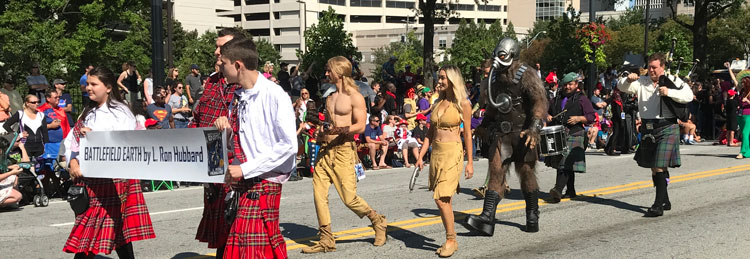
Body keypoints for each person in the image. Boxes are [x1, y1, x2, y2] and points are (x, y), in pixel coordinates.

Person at [212, 36, 296, 259]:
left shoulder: (274, 94)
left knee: (255, 251)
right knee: (243, 248)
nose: (221, 69)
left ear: (238, 65)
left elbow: (288, 146)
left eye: (225, 64)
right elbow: (240, 141)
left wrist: (245, 169)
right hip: (244, 181)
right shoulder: (237, 97)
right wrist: (227, 130)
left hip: (264, 181)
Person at [63, 66, 155, 258]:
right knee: (103, 234)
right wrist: (72, 162)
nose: (88, 88)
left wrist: (95, 137)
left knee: (104, 235)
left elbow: (124, 145)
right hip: (91, 181)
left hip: (113, 180)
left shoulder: (121, 112)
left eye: (93, 84)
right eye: (87, 84)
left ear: (108, 87)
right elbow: (72, 142)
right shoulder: (88, 111)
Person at [301, 56, 388, 254]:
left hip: (344, 152)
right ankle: (326, 239)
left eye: (328, 70)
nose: (325, 74)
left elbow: (359, 126)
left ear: (339, 72)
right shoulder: (330, 97)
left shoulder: (354, 96)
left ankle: (378, 221)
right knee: (318, 195)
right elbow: (328, 127)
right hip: (326, 152)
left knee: (349, 198)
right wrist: (319, 132)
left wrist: (335, 130)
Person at [469, 38, 547, 235]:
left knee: (527, 173)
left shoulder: (526, 74)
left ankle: (532, 215)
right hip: (501, 133)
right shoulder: (493, 79)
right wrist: (484, 125)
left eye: (502, 55)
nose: (498, 59)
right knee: (496, 172)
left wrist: (535, 128)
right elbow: (494, 107)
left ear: (511, 55)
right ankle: (487, 217)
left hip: (523, 132)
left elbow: (539, 101)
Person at [191, 28, 247, 258]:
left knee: (239, 236)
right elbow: (198, 119)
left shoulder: (250, 84)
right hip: (213, 167)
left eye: (221, 48)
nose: (216, 52)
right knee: (223, 237)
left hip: (239, 168)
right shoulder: (212, 82)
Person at [617, 53, 693, 217]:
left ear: (662, 67)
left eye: (654, 67)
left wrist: (669, 92)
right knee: (655, 167)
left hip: (667, 126)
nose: (651, 70)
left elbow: (688, 96)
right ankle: (665, 199)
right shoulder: (642, 82)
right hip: (648, 128)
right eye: (649, 67)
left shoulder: (673, 79)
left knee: (658, 165)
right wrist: (628, 79)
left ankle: (657, 205)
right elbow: (622, 87)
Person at [415, 64, 474, 257]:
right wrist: (421, 156)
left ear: (452, 80)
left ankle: (451, 239)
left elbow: (467, 135)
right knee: (442, 198)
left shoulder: (463, 103)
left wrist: (470, 162)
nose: (439, 81)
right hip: (437, 153)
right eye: (439, 78)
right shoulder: (437, 102)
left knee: (441, 198)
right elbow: (430, 133)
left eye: (442, 78)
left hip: (453, 153)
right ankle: (450, 238)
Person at [545, 73, 596, 202]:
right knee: (565, 164)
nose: (567, 87)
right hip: (559, 135)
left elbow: (591, 116)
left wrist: (579, 118)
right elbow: (547, 111)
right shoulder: (556, 99)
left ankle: (557, 190)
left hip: (575, 133)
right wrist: (547, 115)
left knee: (564, 163)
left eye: (570, 84)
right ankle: (571, 191)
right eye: (566, 84)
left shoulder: (581, 99)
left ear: (576, 85)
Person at [735, 70, 750, 159]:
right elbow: (734, 80)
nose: (742, 84)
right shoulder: (741, 91)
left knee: (745, 133)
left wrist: (747, 101)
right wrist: (729, 70)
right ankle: (747, 151)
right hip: (740, 114)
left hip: (749, 114)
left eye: (744, 82)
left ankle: (742, 152)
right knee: (745, 133)